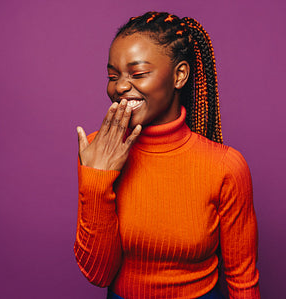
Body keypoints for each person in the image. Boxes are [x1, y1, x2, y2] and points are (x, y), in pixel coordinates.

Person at [74, 12, 260, 298]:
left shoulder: (225, 165)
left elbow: (242, 279)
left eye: (137, 74)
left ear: (179, 75)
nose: (120, 86)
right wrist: (97, 180)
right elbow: (99, 275)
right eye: (113, 76)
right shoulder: (97, 149)